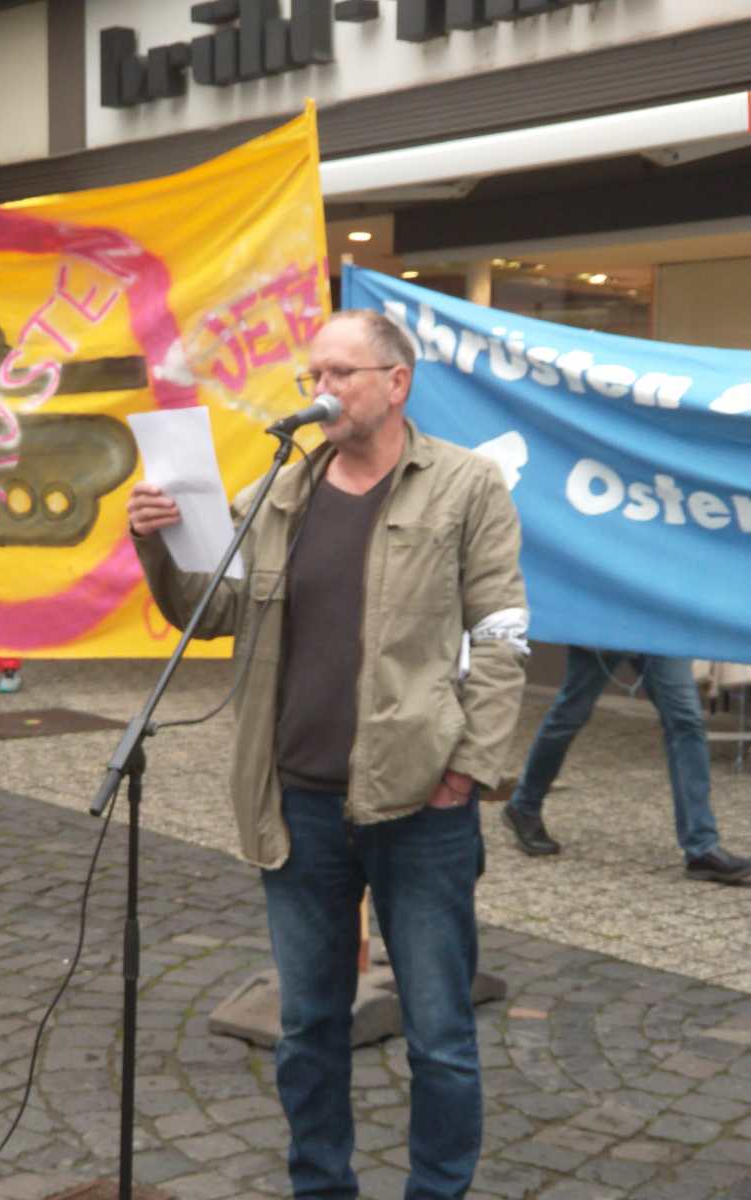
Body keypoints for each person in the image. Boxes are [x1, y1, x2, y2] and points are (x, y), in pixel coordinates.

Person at [128, 309, 528, 1200]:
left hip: (421, 805)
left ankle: (437, 1189)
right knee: (309, 1027)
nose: (322, 390)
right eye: (314, 374)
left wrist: (466, 771)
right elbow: (212, 611)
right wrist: (153, 541)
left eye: (342, 373)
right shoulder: (279, 492)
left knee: (439, 1034)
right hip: (299, 805)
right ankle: (320, 1187)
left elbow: (503, 638)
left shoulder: (465, 486)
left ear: (397, 382)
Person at [501, 647, 751, 884]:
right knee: (571, 712)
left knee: (686, 720)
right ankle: (525, 805)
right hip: (605, 626)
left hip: (660, 628)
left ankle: (701, 847)